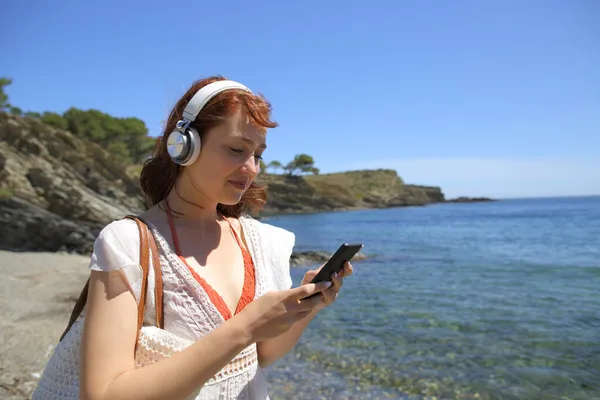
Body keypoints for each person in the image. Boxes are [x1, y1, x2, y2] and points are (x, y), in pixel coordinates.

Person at [33, 76, 353, 400]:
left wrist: (307, 308)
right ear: (184, 145)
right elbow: (102, 393)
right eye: (237, 149)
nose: (252, 168)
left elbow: (262, 355)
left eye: (257, 154)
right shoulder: (127, 243)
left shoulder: (265, 243)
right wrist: (244, 328)